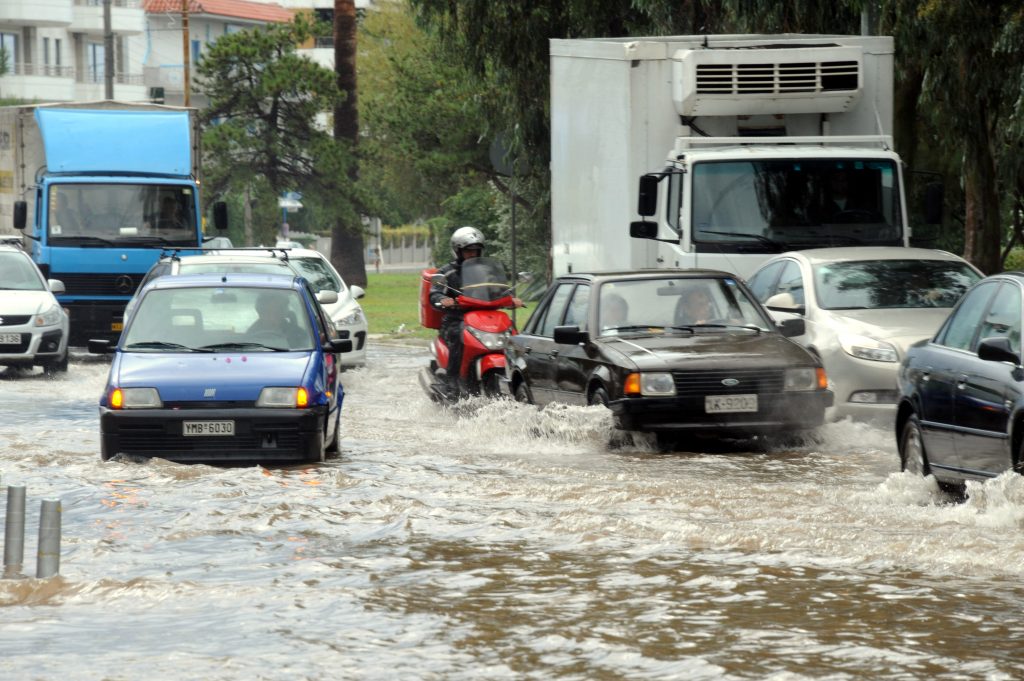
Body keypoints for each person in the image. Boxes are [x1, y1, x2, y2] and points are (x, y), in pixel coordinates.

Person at [429, 226, 521, 398]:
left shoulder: (488, 271)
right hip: (456, 319)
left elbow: (500, 289)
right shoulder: (447, 272)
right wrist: (442, 300)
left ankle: (522, 378)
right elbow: (435, 292)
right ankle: (452, 384)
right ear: (458, 251)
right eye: (468, 251)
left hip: (486, 318)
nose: (472, 254)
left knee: (514, 333)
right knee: (458, 337)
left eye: (476, 251)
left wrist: (511, 298)